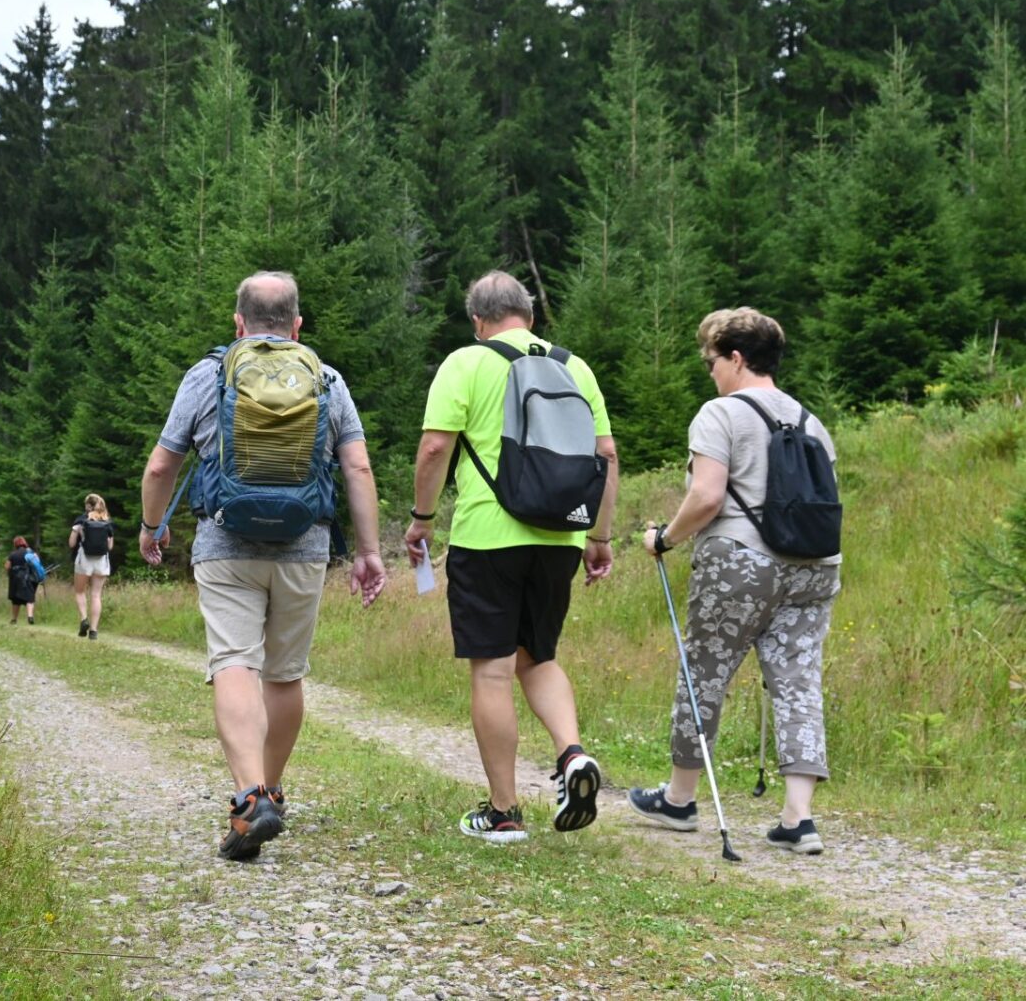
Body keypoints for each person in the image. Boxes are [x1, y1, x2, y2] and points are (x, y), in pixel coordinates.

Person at [139, 271, 387, 862]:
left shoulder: (209, 375)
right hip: (305, 547)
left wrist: (152, 529)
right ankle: (271, 786)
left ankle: (250, 798)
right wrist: (370, 552)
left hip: (225, 547)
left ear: (238, 323)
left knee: (234, 663)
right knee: (284, 674)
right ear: (297, 324)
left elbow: (160, 467)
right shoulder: (326, 379)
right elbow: (357, 469)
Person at [404, 270, 618, 845]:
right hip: (561, 538)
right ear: (529, 313)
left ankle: (503, 812)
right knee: (538, 657)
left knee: (494, 668)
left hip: (488, 535)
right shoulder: (575, 367)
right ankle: (572, 755)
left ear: (478, 320)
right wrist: (599, 536)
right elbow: (607, 456)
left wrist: (423, 520)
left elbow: (433, 447)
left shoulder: (466, 363)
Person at [632, 307, 841, 855]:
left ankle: (679, 800)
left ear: (737, 358)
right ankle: (799, 820)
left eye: (712, 361)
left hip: (741, 563)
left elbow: (706, 497)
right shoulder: (811, 421)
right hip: (816, 566)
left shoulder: (720, 414)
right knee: (798, 679)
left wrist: (664, 540)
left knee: (704, 670)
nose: (710, 372)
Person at [69, 494, 114, 639]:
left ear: (88, 505)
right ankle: (93, 631)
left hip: (84, 559)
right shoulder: (107, 521)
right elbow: (110, 546)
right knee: (96, 595)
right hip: (101, 561)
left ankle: (84, 619)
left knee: (80, 592)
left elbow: (71, 543)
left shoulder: (81, 520)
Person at [4, 536, 42, 625]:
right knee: (30, 598)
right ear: (24, 543)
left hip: (15, 580)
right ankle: (30, 617)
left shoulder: (13, 554)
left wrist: (9, 573)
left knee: (16, 600)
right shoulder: (31, 553)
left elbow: (7, 566)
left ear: (15, 544)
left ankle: (14, 619)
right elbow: (38, 564)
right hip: (28, 579)